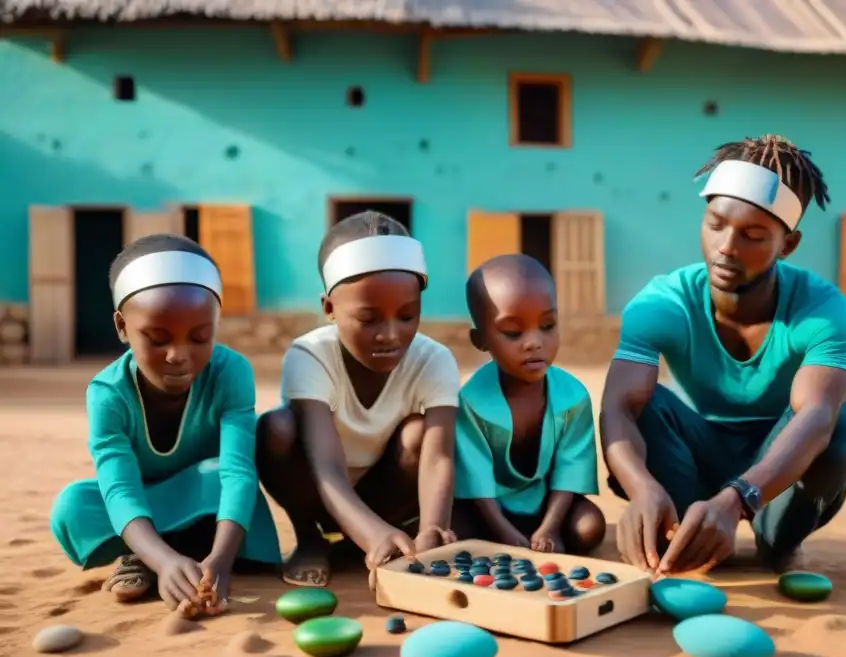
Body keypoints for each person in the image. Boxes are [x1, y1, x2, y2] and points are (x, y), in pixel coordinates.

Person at [600, 134, 846, 576]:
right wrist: (641, 488)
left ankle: (778, 540)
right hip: (690, 452)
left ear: (787, 245)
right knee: (643, 404)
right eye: (715, 224)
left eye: (752, 235)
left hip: (778, 459)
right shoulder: (661, 303)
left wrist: (738, 500)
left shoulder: (822, 310)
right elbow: (619, 406)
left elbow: (816, 418)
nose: (727, 247)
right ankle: (682, 528)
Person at [50, 234, 282, 615]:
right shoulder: (107, 393)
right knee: (73, 505)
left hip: (208, 499)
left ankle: (191, 557)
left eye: (200, 337)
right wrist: (163, 561)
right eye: (157, 339)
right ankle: (147, 555)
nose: (179, 355)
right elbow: (119, 488)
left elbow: (238, 473)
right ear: (123, 327)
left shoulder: (231, 371)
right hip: (143, 505)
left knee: (219, 473)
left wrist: (221, 563)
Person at [256, 211, 461, 588]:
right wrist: (372, 534)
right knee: (276, 428)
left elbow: (439, 455)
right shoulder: (310, 356)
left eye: (407, 316)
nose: (390, 334)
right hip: (321, 494)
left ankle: (391, 536)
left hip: (388, 498)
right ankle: (311, 540)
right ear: (329, 308)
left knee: (420, 433)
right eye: (369, 319)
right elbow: (326, 468)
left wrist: (434, 528)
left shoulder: (434, 360)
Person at [451, 254, 606, 554]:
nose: (534, 342)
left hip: (548, 504)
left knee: (589, 528)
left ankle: (539, 532)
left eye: (547, 325)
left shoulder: (573, 397)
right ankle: (499, 537)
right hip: (488, 510)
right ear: (480, 340)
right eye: (513, 332)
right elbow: (475, 476)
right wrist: (503, 530)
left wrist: (550, 526)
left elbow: (570, 468)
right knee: (456, 531)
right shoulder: (471, 401)